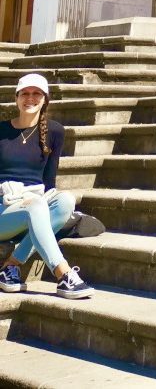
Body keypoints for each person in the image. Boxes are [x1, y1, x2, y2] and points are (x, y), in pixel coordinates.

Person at [0, 73, 93, 299]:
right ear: (17, 98)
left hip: (33, 204)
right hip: (4, 208)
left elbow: (49, 181)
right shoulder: (1, 130)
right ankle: (63, 273)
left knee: (65, 200)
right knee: (36, 206)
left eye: (36, 94)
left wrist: (35, 200)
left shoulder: (55, 132)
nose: (30, 98)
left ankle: (11, 265)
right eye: (25, 93)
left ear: (45, 100)